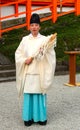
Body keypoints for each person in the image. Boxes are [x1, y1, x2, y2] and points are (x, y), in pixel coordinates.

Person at [15, 13, 57, 127]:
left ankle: (41, 118)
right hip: (29, 72)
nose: (34, 27)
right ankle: (28, 118)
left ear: (39, 27)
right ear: (29, 26)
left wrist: (44, 53)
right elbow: (18, 54)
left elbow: (50, 55)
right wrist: (24, 60)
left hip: (40, 72)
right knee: (29, 95)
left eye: (36, 25)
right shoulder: (25, 40)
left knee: (39, 95)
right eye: (32, 25)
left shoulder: (44, 40)